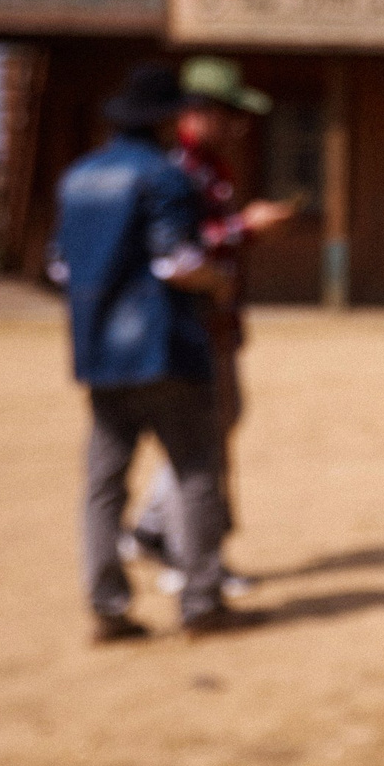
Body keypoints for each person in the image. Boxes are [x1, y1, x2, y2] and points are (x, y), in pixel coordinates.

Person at [50, 62, 257, 640]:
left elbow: (60, 265)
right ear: (167, 119)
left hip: (99, 354)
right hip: (166, 348)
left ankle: (107, 607)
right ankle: (201, 601)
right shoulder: (165, 179)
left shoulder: (77, 178)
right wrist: (217, 281)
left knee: (103, 483)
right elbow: (175, 262)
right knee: (195, 471)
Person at [122, 56, 296, 597]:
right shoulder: (178, 169)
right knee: (199, 441)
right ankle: (185, 556)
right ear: (197, 113)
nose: (237, 127)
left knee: (216, 429)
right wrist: (246, 226)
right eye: (229, 114)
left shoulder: (209, 168)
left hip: (216, 319)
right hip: (191, 322)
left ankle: (157, 530)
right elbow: (181, 249)